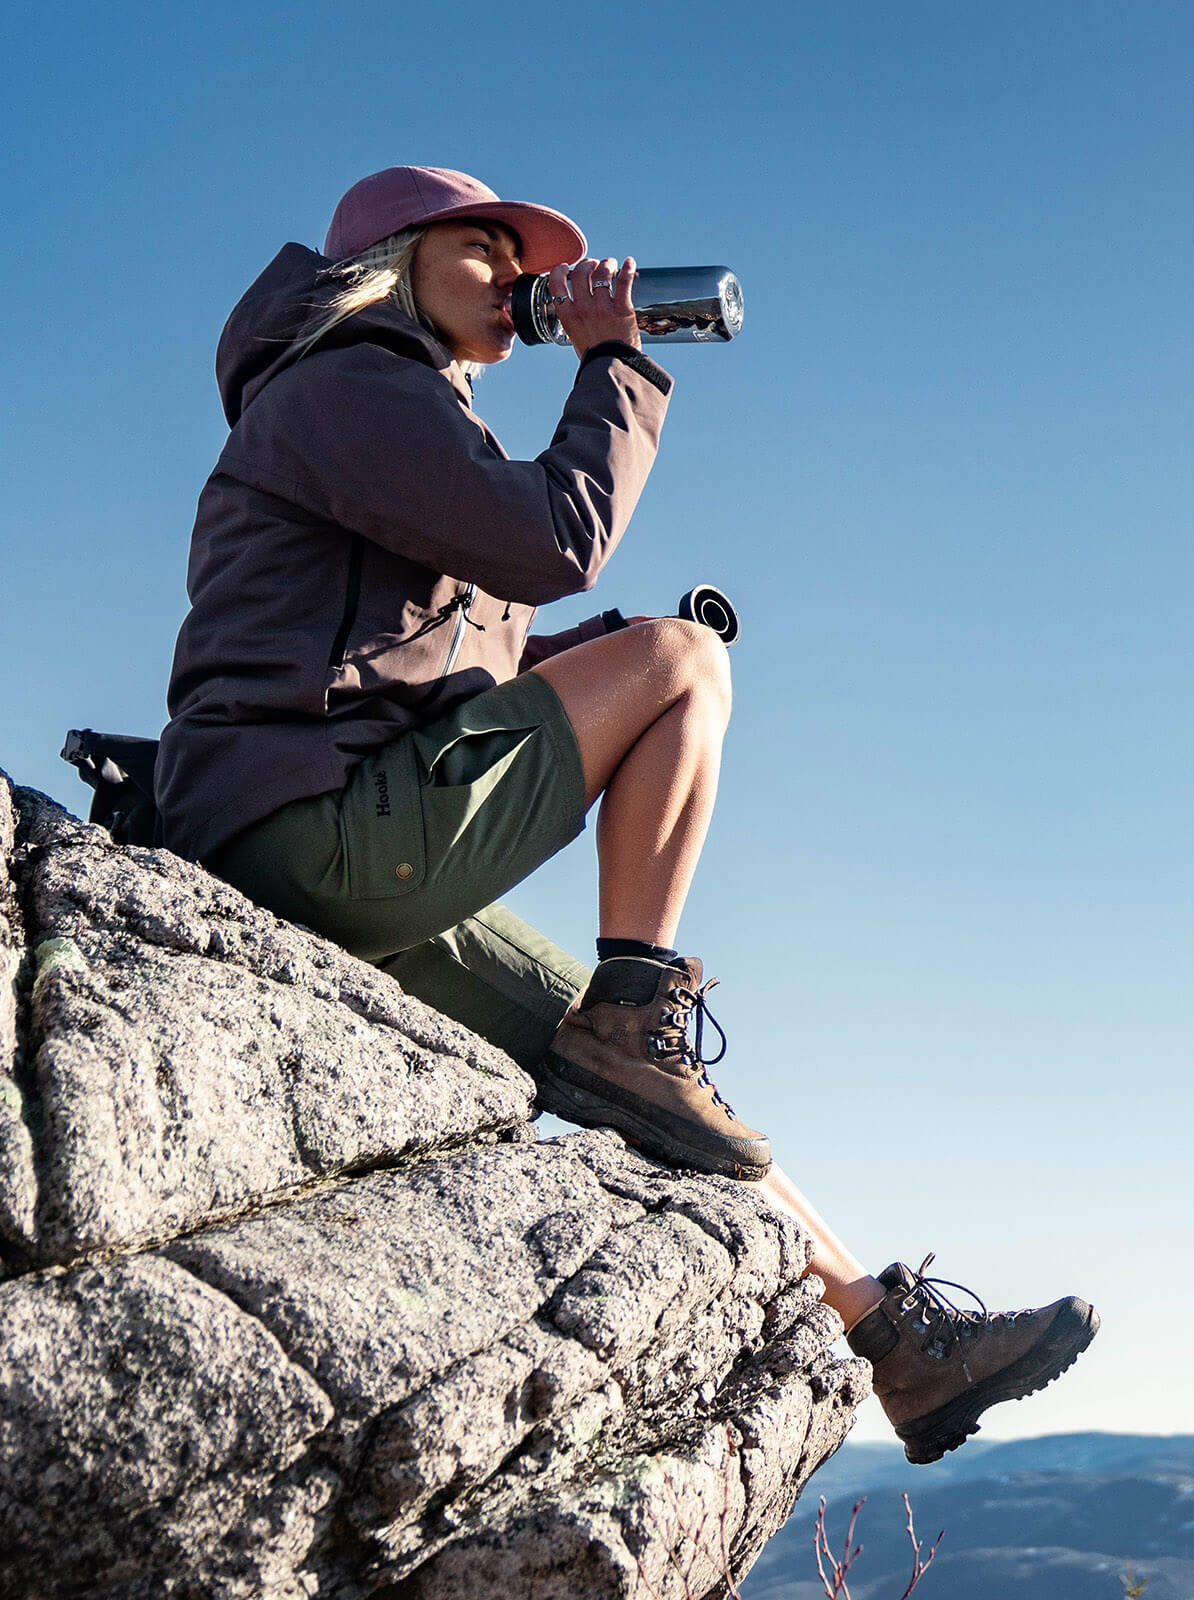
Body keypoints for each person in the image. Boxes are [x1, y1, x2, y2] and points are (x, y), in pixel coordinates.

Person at [157, 165, 1093, 1462]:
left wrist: (612, 651)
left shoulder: (403, 422)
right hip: (312, 830)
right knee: (687, 682)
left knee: (661, 1105)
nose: (514, 278)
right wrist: (613, 364)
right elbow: (557, 538)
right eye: (482, 251)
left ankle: (890, 1343)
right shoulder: (347, 383)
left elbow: (451, 670)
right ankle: (637, 995)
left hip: (321, 848)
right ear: (394, 259)